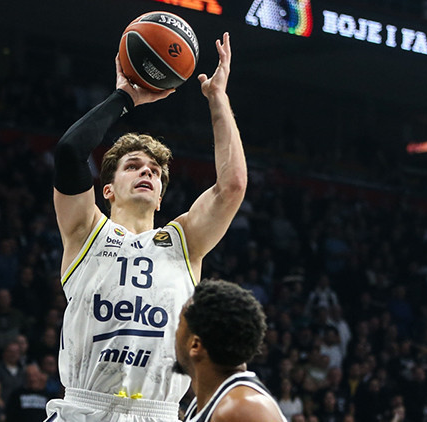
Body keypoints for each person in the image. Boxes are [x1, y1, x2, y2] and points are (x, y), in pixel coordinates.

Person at [48, 30, 247, 422]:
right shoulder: (85, 231)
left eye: (154, 171)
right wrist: (126, 96)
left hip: (157, 412)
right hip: (84, 408)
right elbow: (70, 151)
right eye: (133, 166)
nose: (147, 173)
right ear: (107, 189)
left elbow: (232, 186)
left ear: (160, 197)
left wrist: (218, 99)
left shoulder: (185, 242)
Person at [174, 279, 286, 422]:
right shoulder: (211, 403)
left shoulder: (241, 408)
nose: (174, 334)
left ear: (195, 345)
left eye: (179, 324)